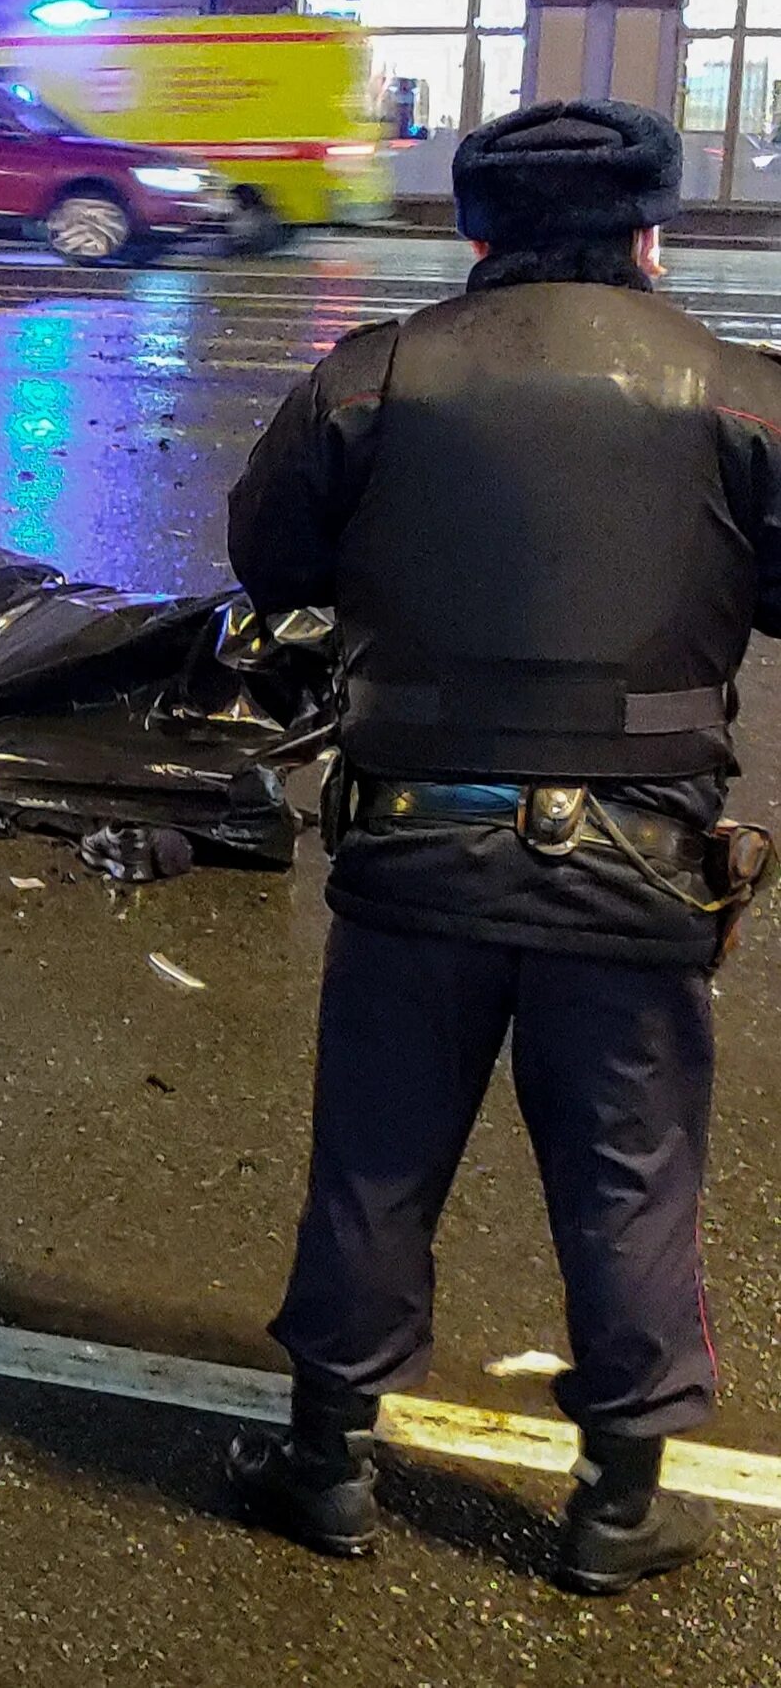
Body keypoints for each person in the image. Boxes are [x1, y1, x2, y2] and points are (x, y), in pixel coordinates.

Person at [223, 99, 781, 1595]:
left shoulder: (371, 379)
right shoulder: (740, 394)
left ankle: (329, 1459)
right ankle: (618, 1498)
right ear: (649, 233)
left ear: (474, 233)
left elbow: (267, 553)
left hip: (413, 849)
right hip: (642, 860)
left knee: (375, 1157)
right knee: (632, 1171)